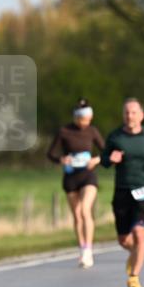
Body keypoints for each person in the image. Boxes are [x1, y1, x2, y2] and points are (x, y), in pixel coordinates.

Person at [100, 98, 144, 287]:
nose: (130, 116)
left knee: (139, 232)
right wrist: (110, 159)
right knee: (124, 240)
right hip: (122, 191)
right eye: (127, 113)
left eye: (134, 112)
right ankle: (135, 253)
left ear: (141, 115)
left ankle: (134, 278)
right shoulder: (115, 136)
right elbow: (104, 159)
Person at [47, 98, 105, 268]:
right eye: (82, 119)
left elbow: (106, 151)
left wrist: (96, 160)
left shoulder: (92, 131)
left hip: (88, 175)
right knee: (77, 215)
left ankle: (88, 250)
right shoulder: (64, 131)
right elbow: (50, 154)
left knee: (86, 209)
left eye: (88, 119)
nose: (85, 122)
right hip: (71, 176)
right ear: (76, 118)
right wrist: (61, 159)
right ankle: (82, 248)